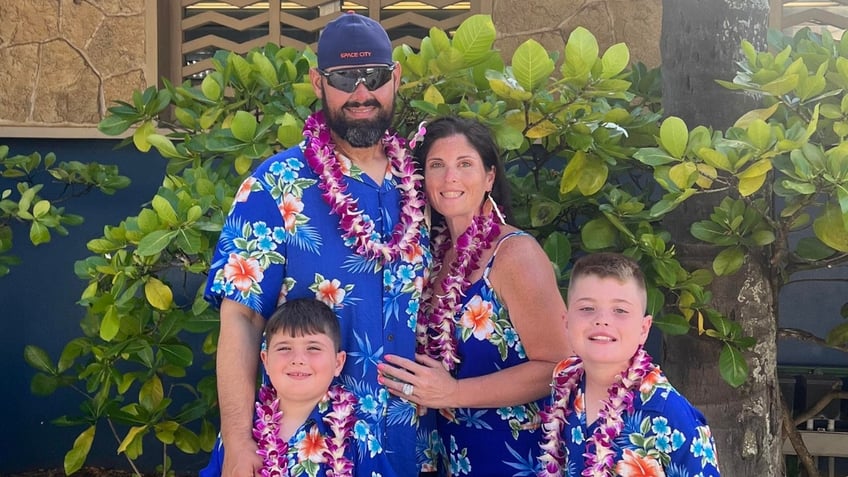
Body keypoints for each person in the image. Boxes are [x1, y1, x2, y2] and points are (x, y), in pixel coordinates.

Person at [203, 12, 431, 477]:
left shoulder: (426, 187)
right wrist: (239, 440)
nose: (362, 93)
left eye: (375, 76)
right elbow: (243, 320)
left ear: (396, 79)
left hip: (409, 441)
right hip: (306, 450)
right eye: (345, 78)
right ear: (317, 82)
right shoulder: (275, 186)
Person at [376, 117, 571, 476]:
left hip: (514, 457)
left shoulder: (515, 254)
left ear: (490, 177)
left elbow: (559, 367)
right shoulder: (430, 257)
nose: (450, 178)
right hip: (450, 456)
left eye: (465, 164)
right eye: (437, 165)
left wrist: (452, 393)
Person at [537, 252, 721, 476]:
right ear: (566, 322)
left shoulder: (666, 412)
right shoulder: (566, 384)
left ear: (644, 329)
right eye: (587, 308)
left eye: (620, 310)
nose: (602, 319)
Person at [202, 298, 357, 476]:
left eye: (313, 348)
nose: (298, 359)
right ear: (265, 360)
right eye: (284, 348)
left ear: (338, 363)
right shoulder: (242, 436)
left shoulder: (354, 435)